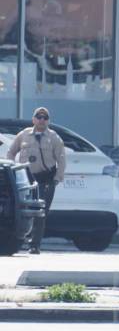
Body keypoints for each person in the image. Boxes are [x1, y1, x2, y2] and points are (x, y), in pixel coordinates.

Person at [7, 107, 66, 254]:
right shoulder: (24, 135)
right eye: (38, 117)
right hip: (26, 179)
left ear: (48, 121)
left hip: (46, 179)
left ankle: (34, 245)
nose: (41, 120)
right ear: (33, 119)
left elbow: (62, 159)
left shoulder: (54, 137)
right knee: (22, 211)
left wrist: (57, 178)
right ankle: (17, 242)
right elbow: (11, 152)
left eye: (45, 118)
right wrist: (12, 171)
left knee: (40, 212)